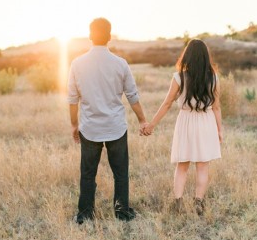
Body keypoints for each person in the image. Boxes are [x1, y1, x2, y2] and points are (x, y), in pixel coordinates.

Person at [67, 17, 148, 224]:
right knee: (120, 173)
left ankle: (85, 214)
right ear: (109, 37)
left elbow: (72, 99)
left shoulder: (77, 64)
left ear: (90, 36)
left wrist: (74, 125)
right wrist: (142, 120)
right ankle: (122, 212)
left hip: (90, 128)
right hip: (116, 128)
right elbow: (133, 96)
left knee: (87, 174)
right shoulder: (120, 64)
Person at [142, 39, 223, 215]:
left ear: (187, 55)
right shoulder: (214, 77)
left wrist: (152, 125)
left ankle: (178, 202)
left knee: (182, 165)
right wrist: (219, 130)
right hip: (206, 122)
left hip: (186, 121)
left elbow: (167, 103)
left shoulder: (179, 76)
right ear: (205, 56)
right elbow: (216, 107)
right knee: (203, 166)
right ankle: (199, 203)